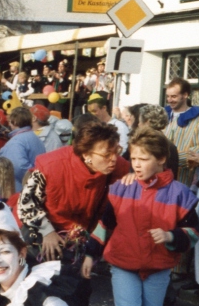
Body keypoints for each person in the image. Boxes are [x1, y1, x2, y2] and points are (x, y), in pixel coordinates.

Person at [83, 130, 199, 306]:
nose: (136, 164)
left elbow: (193, 233)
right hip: (124, 264)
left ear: (161, 159)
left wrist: (171, 236)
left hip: (158, 267)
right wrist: (90, 254)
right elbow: (105, 224)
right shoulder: (121, 188)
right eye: (133, 158)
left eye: (144, 159)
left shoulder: (180, 194)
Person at [17, 119, 130, 290]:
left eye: (117, 151)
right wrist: (47, 232)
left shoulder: (120, 167)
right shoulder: (52, 165)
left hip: (82, 239)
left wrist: (133, 178)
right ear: (86, 154)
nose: (114, 159)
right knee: (45, 288)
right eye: (107, 154)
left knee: (78, 291)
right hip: (47, 235)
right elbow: (27, 202)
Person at [164, 78, 199, 188]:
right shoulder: (162, 116)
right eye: (168, 96)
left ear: (185, 95)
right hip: (160, 177)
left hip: (183, 178)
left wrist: (168, 159)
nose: (170, 100)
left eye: (174, 96)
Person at [0, 106, 45, 192]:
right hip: (34, 188)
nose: (9, 124)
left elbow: (19, 167)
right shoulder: (35, 137)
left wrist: (31, 181)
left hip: (20, 189)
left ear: (15, 121)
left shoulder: (16, 141)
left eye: (10, 121)